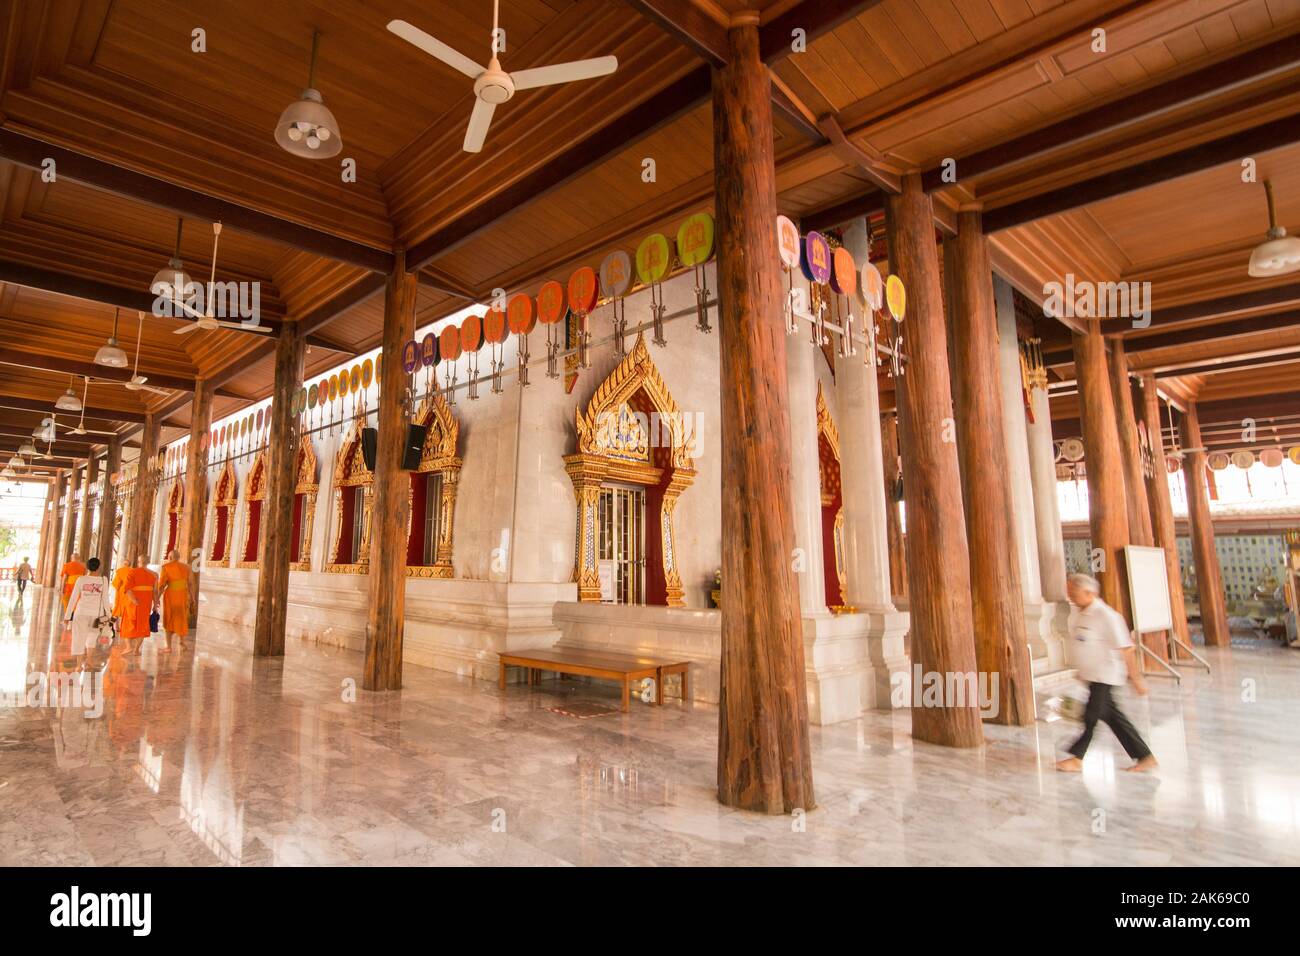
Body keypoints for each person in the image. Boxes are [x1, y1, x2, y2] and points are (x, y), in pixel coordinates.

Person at [1057, 573, 1158, 774]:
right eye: (1069, 591)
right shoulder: (1079, 614)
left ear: (1089, 592)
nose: (1070, 596)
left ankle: (1077, 759)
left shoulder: (1107, 616)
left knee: (1091, 717)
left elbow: (1126, 649)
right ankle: (1145, 756)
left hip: (1105, 675)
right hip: (1092, 676)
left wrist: (1136, 679)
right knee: (1113, 718)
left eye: (1073, 592)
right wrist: (1081, 669)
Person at [63, 556, 109, 669]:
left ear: (87, 568)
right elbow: (105, 599)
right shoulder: (104, 580)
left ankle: (78, 665)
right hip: (95, 614)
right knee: (92, 637)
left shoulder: (81, 579)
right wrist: (109, 615)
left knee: (78, 638)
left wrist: (67, 616)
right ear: (99, 567)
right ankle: (89, 661)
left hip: (81, 613)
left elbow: (73, 598)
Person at [119, 555, 157, 657]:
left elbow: (127, 588)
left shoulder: (132, 572)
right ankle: (136, 650)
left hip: (133, 602)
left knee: (128, 623)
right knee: (143, 624)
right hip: (146, 603)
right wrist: (155, 605)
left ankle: (129, 647)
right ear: (148, 561)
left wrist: (134, 600)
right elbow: (155, 591)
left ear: (138, 561)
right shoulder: (154, 575)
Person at [156, 550, 192, 651]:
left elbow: (162, 585)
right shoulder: (186, 568)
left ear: (170, 557)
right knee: (181, 617)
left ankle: (168, 646)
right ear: (179, 557)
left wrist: (157, 598)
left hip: (171, 596)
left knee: (169, 618)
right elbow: (190, 584)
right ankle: (182, 641)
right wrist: (192, 597)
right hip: (182, 595)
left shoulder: (166, 567)